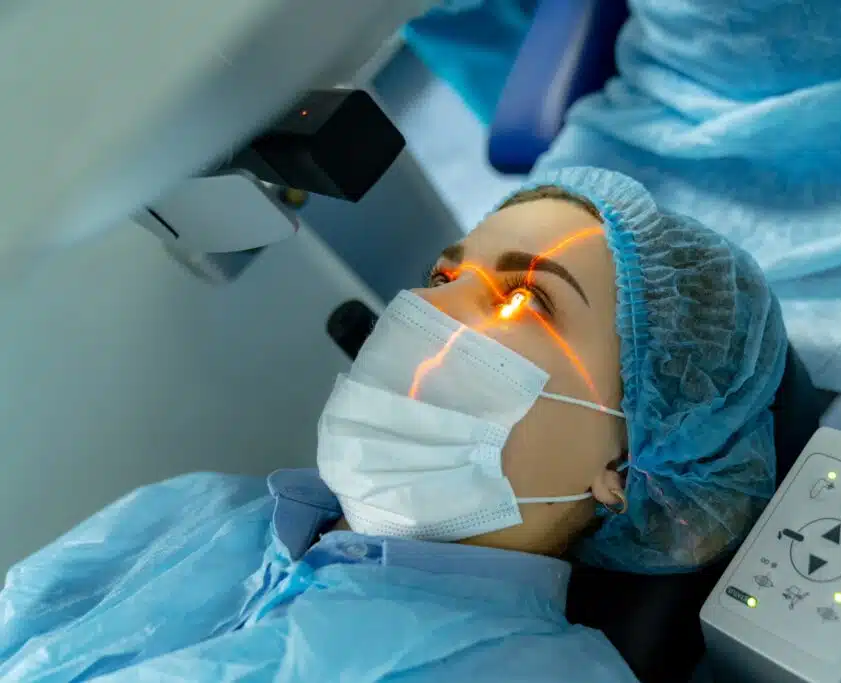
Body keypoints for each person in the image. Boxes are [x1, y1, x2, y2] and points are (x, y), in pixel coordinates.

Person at [0, 167, 787, 682]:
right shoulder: (192, 509)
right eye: (443, 273)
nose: (425, 306)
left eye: (525, 298)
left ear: (627, 464)